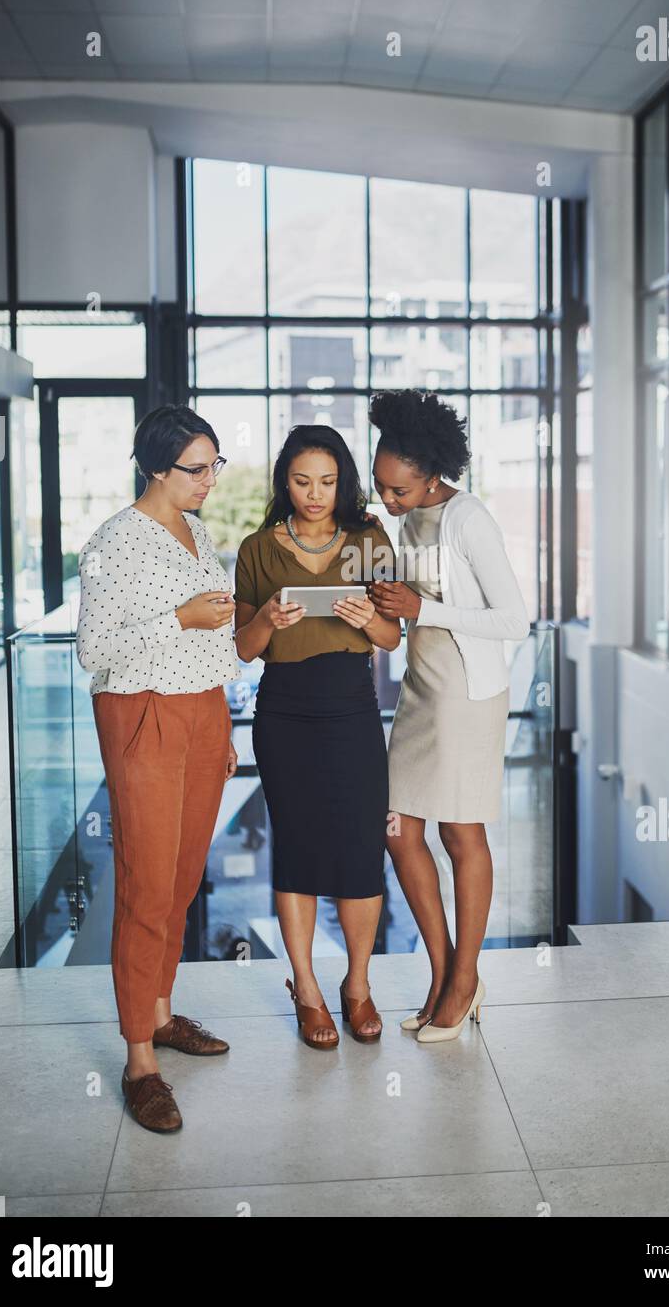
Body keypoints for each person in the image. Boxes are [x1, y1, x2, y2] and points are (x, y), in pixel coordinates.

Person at [75, 405, 239, 1134]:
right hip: (142, 713)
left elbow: (215, 637)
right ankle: (140, 1060)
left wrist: (222, 724)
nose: (209, 480)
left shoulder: (196, 530)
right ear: (155, 468)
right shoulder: (112, 543)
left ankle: (163, 1014)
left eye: (214, 465)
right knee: (145, 885)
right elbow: (93, 650)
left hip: (202, 712)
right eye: (195, 469)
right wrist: (180, 620)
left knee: (179, 878)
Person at [368, 390, 530, 1043]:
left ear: (431, 475)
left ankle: (464, 979)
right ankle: (442, 974)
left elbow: (514, 620)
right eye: (381, 487)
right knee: (398, 828)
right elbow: (404, 602)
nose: (388, 500)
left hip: (467, 692)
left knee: (462, 836)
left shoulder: (469, 520)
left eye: (398, 490)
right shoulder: (404, 524)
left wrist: (419, 609)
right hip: (421, 690)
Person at [234, 426, 400, 1049]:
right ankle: (305, 988)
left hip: (353, 709)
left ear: (344, 482)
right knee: (298, 849)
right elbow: (244, 650)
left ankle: (356, 986)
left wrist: (372, 618)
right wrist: (266, 620)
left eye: (327, 482)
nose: (314, 494)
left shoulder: (366, 540)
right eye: (302, 481)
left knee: (361, 850)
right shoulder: (256, 548)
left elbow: (391, 639)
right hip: (284, 714)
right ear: (284, 481)